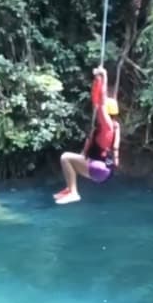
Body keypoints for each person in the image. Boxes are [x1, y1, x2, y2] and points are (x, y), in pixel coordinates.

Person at [54, 67, 121, 205]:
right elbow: (97, 101)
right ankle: (70, 189)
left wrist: (105, 75)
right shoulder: (111, 126)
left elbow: (101, 103)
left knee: (65, 157)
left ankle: (73, 192)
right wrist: (98, 81)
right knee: (71, 163)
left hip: (99, 167)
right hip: (102, 170)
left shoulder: (107, 126)